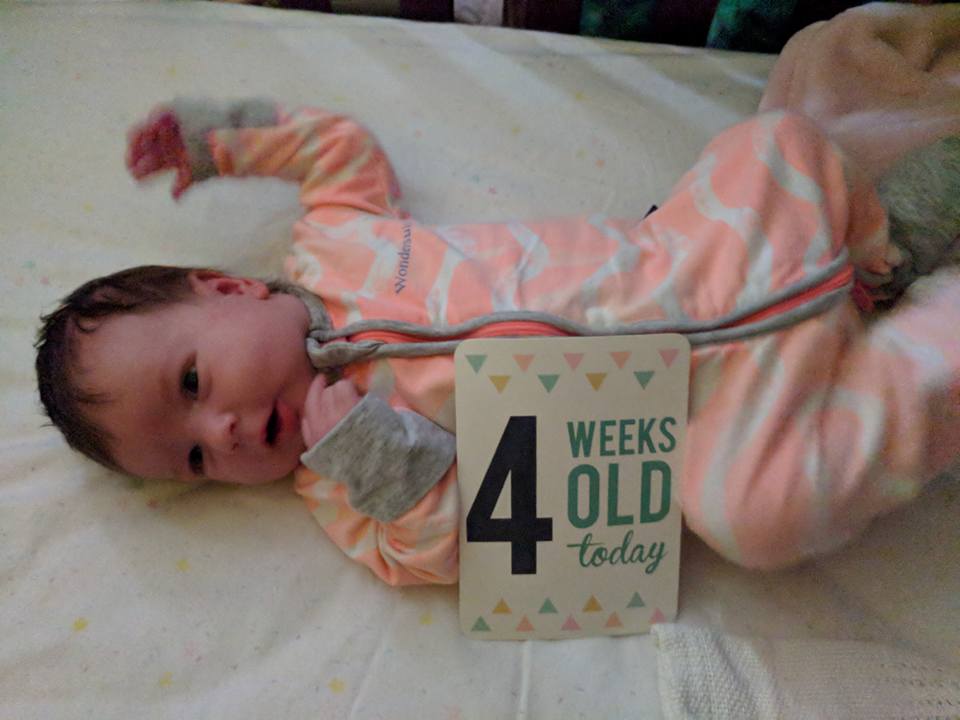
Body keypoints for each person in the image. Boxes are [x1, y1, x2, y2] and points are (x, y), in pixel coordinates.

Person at [36, 6, 960, 586]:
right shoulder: (341, 485)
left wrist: (221, 142)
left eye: (191, 385)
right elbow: (443, 552)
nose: (226, 432)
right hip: (718, 413)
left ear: (230, 286)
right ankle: (922, 350)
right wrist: (381, 461)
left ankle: (883, 251)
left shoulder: (336, 242)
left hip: (696, 248)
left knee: (773, 142)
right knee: (758, 521)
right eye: (196, 460)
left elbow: (337, 149)